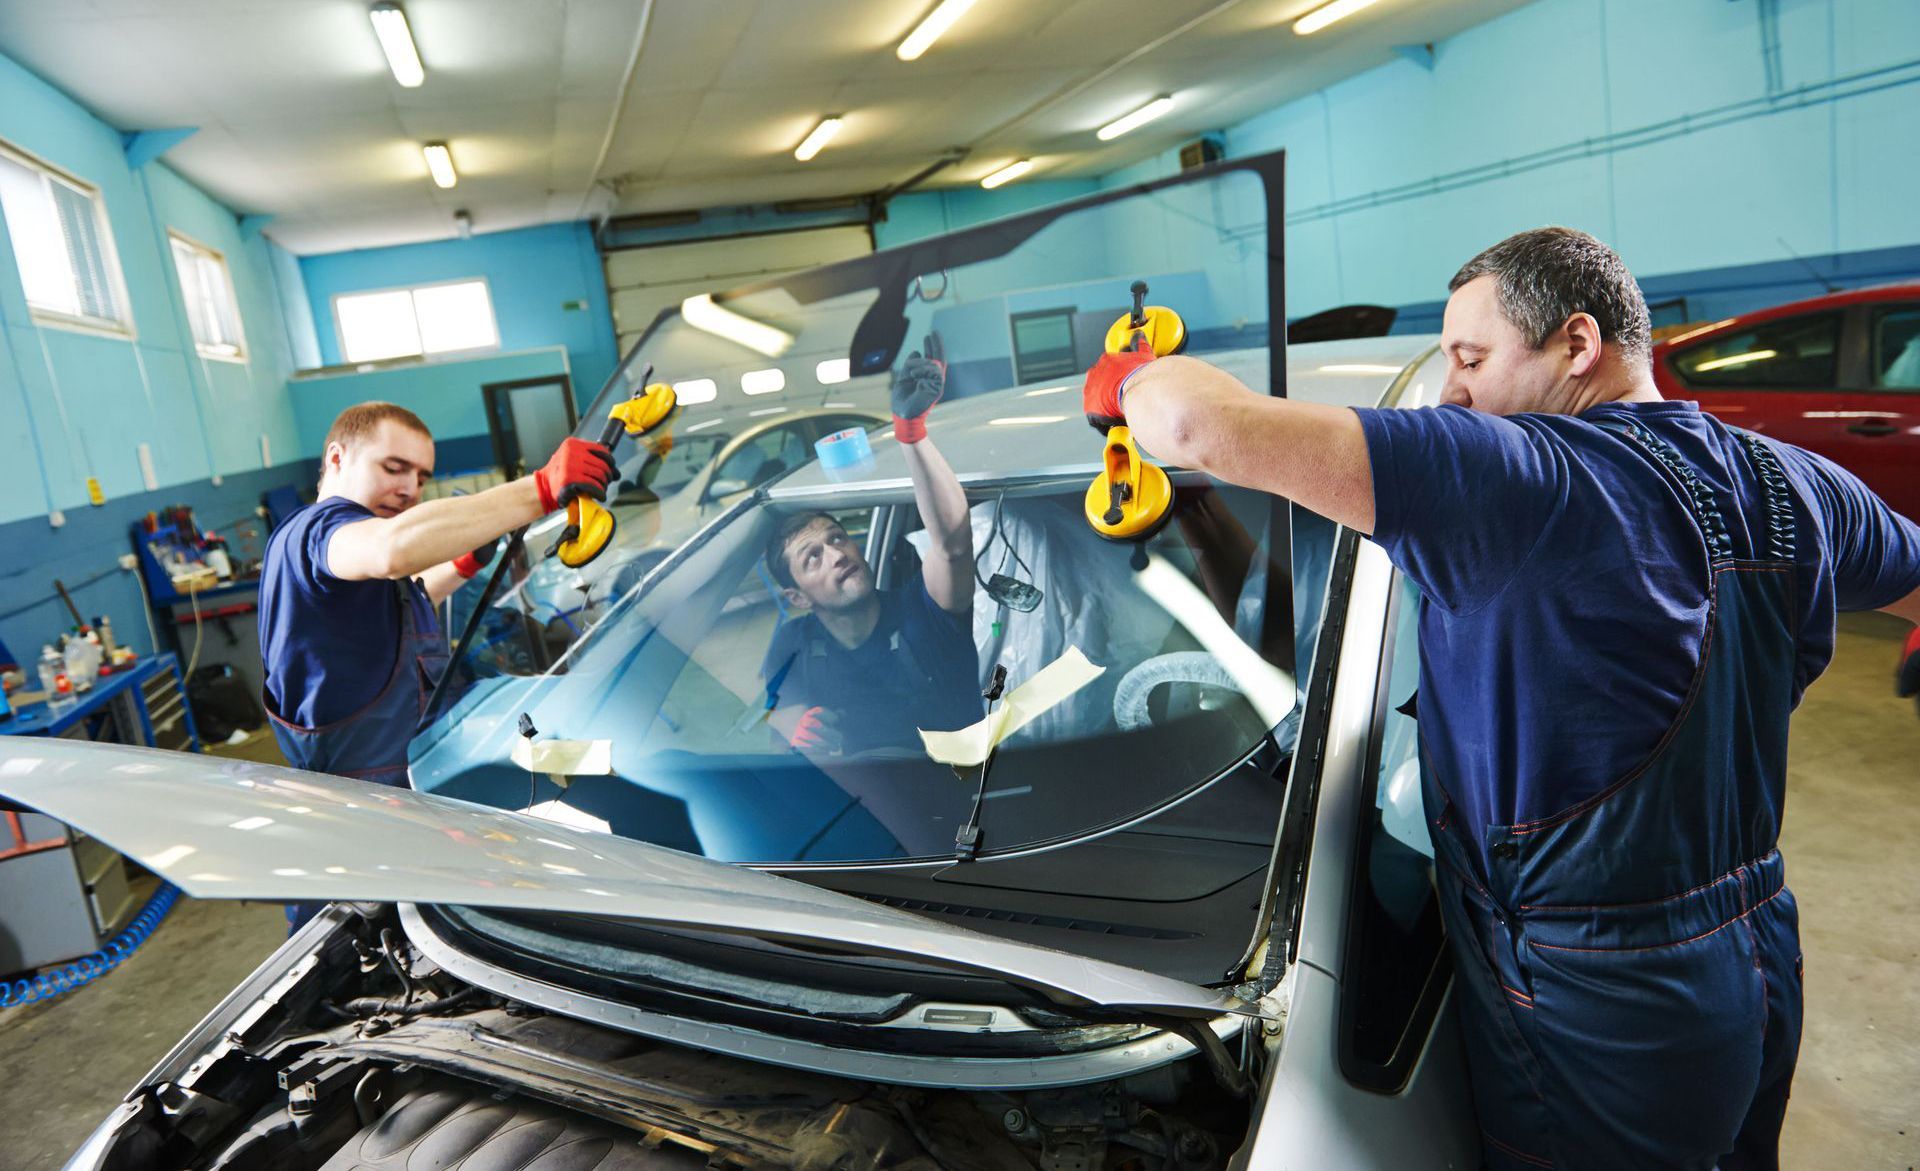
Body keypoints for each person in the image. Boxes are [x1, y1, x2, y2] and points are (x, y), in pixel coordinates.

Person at [1083, 227, 1920, 1170]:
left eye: (1473, 359)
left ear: (1577, 344)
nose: (1454, 392)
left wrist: (1128, 378)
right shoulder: (1791, 480)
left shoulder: (1516, 476)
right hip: (1757, 951)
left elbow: (1196, 428)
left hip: (1598, 1000)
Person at [260, 401, 615, 928]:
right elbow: (391, 551)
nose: (409, 488)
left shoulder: (346, 561)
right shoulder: (318, 531)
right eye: (393, 467)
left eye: (421, 476)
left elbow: (406, 593)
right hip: (369, 830)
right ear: (337, 459)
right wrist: (537, 489)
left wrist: (466, 562)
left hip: (418, 793)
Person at [761, 334, 981, 756]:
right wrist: (792, 728)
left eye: (838, 538)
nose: (837, 554)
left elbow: (952, 545)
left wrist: (911, 434)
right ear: (797, 597)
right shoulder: (794, 645)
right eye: (814, 558)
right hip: (868, 808)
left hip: (968, 796)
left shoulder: (923, 610)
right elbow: (777, 717)